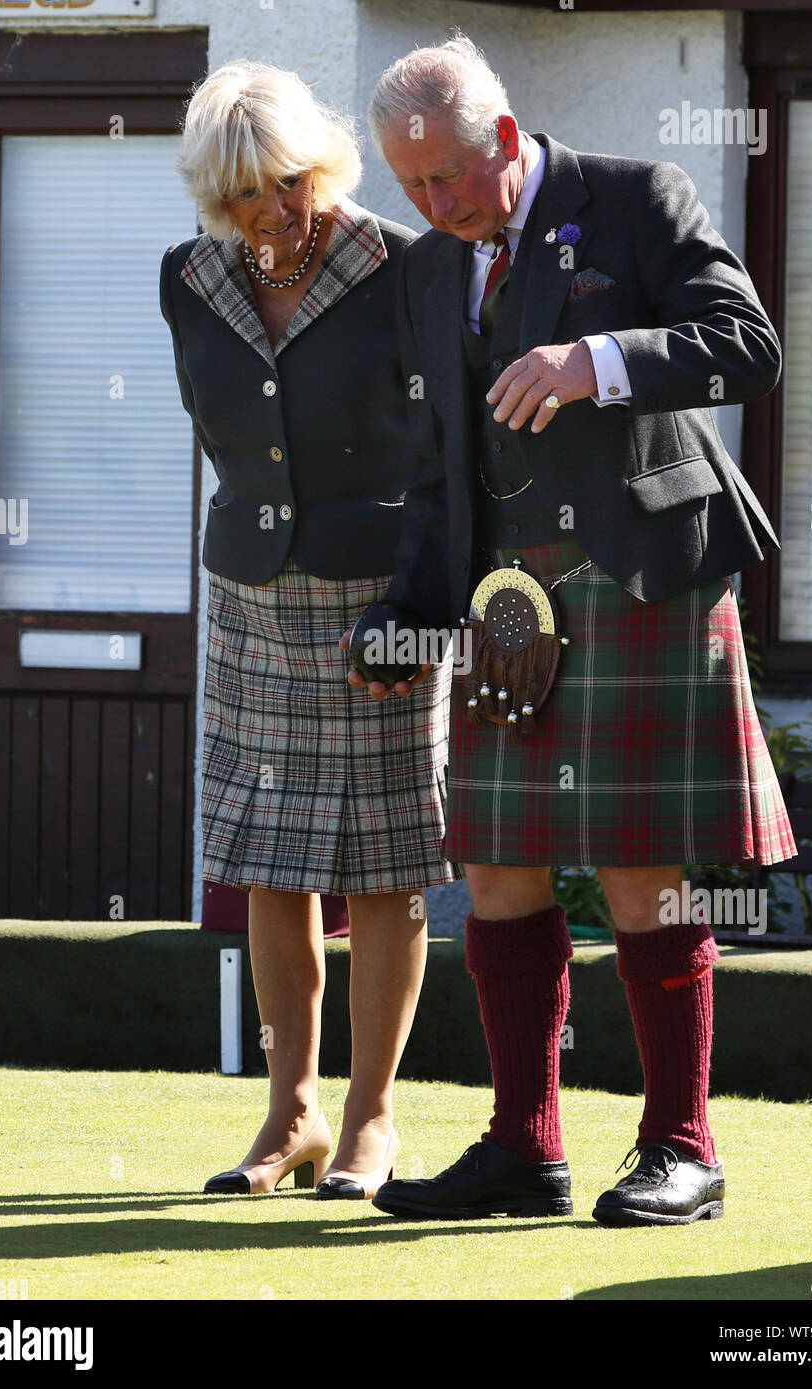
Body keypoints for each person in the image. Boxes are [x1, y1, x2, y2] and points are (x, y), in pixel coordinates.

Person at [348, 35, 796, 1224]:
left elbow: (744, 347)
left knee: (642, 867)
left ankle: (680, 1149)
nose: (432, 206)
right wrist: (406, 611)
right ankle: (521, 1147)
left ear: (502, 138)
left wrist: (595, 359)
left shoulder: (635, 197)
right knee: (497, 867)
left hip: (643, 578)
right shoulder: (430, 269)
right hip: (510, 602)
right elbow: (438, 460)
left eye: (445, 177)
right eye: (407, 188)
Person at [160, 59, 456, 1201]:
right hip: (251, 597)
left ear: (320, 164)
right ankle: (291, 1115)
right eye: (248, 196)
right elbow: (217, 424)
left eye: (289, 182)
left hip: (378, 596)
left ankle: (375, 1118)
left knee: (385, 864)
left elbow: (441, 452)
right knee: (263, 864)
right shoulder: (186, 278)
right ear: (214, 200)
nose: (276, 212)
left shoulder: (402, 267)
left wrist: (421, 603)